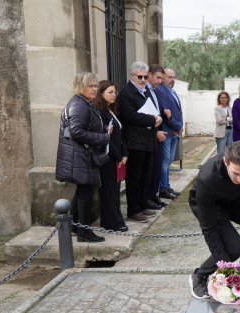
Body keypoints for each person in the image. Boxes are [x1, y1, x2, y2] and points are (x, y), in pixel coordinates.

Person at [188, 141, 240, 299]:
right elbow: (209, 230)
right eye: (235, 174)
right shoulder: (206, 178)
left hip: (236, 198)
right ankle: (199, 275)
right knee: (234, 248)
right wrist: (227, 271)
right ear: (226, 162)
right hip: (212, 205)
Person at [55, 72, 110, 242]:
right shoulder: (79, 104)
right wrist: (103, 137)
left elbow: (84, 127)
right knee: (86, 192)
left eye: (96, 86)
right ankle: (84, 232)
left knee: (82, 191)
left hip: (81, 155)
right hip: (79, 156)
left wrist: (103, 130)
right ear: (81, 87)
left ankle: (74, 225)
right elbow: (76, 131)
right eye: (91, 86)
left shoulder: (85, 103)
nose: (95, 89)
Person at [117, 61, 163, 222]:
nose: (143, 80)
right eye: (140, 77)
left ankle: (142, 204)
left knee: (145, 175)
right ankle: (133, 209)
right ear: (132, 76)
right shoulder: (126, 93)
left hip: (147, 141)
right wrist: (151, 120)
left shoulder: (145, 91)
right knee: (134, 178)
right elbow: (129, 115)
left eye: (144, 77)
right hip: (135, 142)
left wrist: (157, 118)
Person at [93, 80, 128, 232]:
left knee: (114, 190)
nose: (114, 95)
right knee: (108, 192)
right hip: (108, 157)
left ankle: (113, 220)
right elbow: (106, 138)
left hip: (118, 157)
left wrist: (125, 153)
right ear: (101, 94)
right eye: (110, 92)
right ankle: (111, 222)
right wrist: (119, 156)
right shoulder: (99, 112)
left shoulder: (111, 110)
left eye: (115, 92)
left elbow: (120, 135)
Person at [143, 64, 170, 209]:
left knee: (157, 170)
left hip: (157, 136)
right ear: (150, 75)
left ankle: (154, 196)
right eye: (158, 78)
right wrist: (156, 132)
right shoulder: (144, 91)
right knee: (150, 171)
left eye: (162, 78)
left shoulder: (156, 91)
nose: (160, 81)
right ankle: (147, 198)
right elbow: (143, 115)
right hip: (149, 137)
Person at [156, 68, 183, 200]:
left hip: (174, 132)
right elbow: (164, 113)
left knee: (169, 161)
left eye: (173, 77)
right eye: (169, 77)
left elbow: (178, 112)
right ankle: (163, 189)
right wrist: (177, 126)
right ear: (163, 77)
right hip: (167, 131)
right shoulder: (161, 90)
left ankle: (167, 186)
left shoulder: (172, 91)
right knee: (165, 162)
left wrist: (180, 126)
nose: (172, 79)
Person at [214, 91, 232, 155]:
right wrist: (230, 119)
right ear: (219, 99)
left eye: (225, 97)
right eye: (222, 97)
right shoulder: (217, 108)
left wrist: (226, 118)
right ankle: (220, 164)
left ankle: (228, 165)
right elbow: (219, 120)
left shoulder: (230, 108)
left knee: (230, 152)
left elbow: (234, 120)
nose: (223, 99)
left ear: (228, 99)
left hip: (230, 131)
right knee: (221, 152)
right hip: (221, 132)